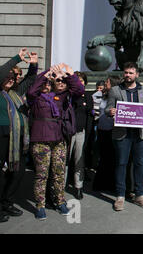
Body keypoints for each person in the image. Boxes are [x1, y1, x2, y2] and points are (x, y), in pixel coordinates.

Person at [27, 63, 84, 220]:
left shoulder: (61, 97)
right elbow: (31, 91)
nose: (59, 83)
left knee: (59, 173)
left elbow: (79, 90)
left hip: (58, 140)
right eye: (56, 81)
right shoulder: (37, 98)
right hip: (40, 141)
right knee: (41, 174)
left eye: (62, 81)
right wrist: (47, 72)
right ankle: (40, 205)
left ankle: (60, 201)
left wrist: (69, 75)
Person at [106, 62, 143, 211]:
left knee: (139, 163)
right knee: (121, 163)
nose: (128, 75)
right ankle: (120, 195)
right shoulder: (115, 90)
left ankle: (139, 195)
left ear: (137, 75)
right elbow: (107, 108)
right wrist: (110, 111)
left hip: (139, 134)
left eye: (131, 73)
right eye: (126, 72)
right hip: (122, 133)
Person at [0, 49, 38, 223]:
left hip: (19, 140)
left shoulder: (16, 93)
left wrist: (33, 64)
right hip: (2, 137)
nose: (9, 80)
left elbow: (30, 80)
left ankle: (7, 202)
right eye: (6, 77)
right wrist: (16, 59)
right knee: (2, 173)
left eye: (12, 78)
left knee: (18, 172)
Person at [65, 71, 93, 200]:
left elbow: (89, 113)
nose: (79, 83)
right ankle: (61, 186)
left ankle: (78, 187)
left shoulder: (87, 96)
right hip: (67, 132)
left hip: (80, 131)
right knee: (64, 160)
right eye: (77, 80)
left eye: (81, 81)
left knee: (79, 160)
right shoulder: (68, 95)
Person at [92, 76, 121, 192]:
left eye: (107, 82)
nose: (105, 84)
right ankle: (101, 184)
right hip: (102, 129)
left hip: (112, 130)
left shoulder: (116, 96)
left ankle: (111, 184)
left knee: (111, 158)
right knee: (103, 157)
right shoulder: (103, 95)